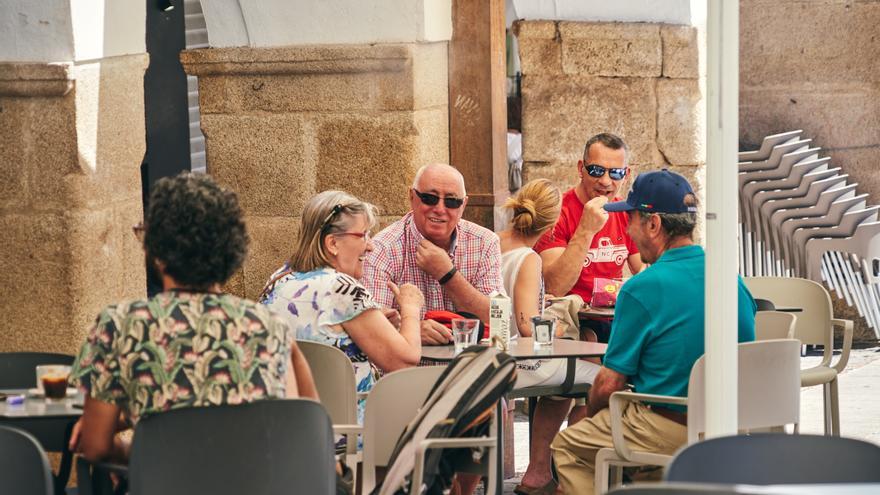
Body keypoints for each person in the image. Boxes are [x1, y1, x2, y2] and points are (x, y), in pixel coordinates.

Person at [68, 172, 318, 463]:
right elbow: (307, 425)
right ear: (231, 249)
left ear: (159, 250)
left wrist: (138, 457)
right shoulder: (267, 325)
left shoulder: (121, 324)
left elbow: (95, 445)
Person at [550, 170, 757, 494]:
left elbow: (607, 386)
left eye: (631, 219)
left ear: (653, 224)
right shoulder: (732, 279)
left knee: (570, 446)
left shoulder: (642, 288)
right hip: (729, 427)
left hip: (670, 426)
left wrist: (594, 417)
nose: (628, 231)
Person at [260, 190, 424, 417]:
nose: (371, 246)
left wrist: (371, 323)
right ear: (333, 243)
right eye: (363, 235)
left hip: (292, 429)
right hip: (352, 436)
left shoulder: (278, 279)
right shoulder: (343, 289)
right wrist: (410, 308)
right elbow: (405, 362)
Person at [497, 179, 600, 495]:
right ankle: (573, 474)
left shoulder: (491, 242)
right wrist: (553, 326)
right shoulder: (530, 258)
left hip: (494, 355)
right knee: (595, 374)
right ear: (555, 223)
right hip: (518, 362)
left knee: (575, 369)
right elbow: (528, 326)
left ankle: (541, 471)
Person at [362, 163, 503, 345]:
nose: (440, 209)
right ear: (412, 197)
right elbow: (371, 329)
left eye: (452, 201)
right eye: (430, 198)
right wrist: (411, 330)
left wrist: (448, 275)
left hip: (470, 366)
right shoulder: (383, 248)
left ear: (464, 204)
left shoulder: (484, 242)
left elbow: (498, 322)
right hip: (412, 369)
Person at [534, 133, 643, 343]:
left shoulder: (626, 213)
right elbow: (554, 287)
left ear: (626, 174)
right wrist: (585, 230)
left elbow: (646, 272)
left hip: (615, 319)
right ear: (580, 169)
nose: (605, 181)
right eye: (596, 170)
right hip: (571, 323)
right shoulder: (558, 213)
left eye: (615, 173)